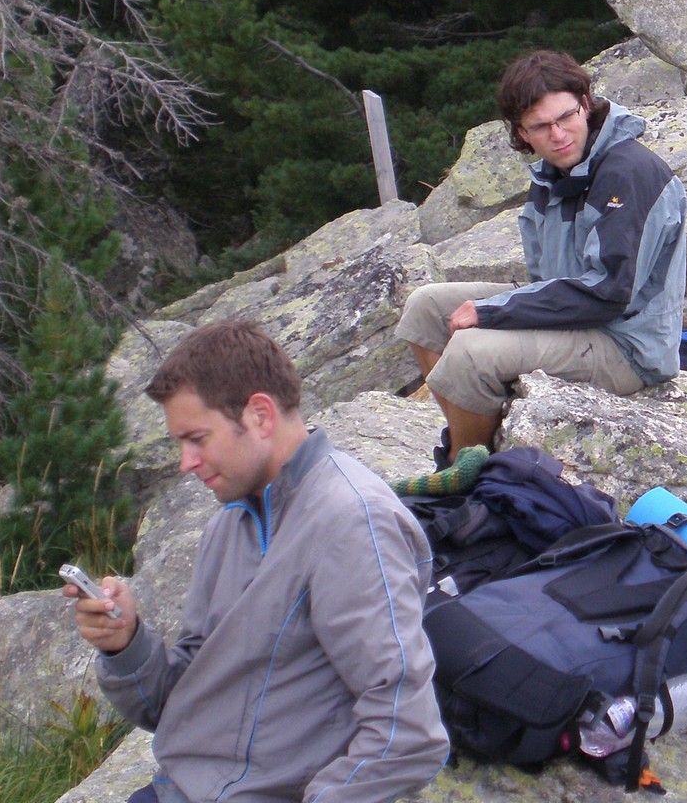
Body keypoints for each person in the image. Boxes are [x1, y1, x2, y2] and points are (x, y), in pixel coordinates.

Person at [66, 319, 449, 803]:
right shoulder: (231, 523)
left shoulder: (352, 524)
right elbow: (177, 704)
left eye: (197, 438)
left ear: (260, 415)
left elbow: (407, 735)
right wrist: (126, 644)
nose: (185, 462)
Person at [395, 49, 687, 467]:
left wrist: (493, 312)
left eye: (566, 117)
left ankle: (464, 470)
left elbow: (608, 293)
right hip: (570, 319)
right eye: (541, 127)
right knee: (425, 309)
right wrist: (502, 311)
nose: (558, 134)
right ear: (522, 133)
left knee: (470, 353)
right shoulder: (554, 176)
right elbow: (545, 280)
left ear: (585, 104)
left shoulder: (628, 173)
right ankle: (479, 437)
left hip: (625, 344)